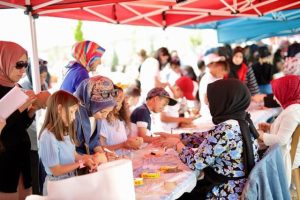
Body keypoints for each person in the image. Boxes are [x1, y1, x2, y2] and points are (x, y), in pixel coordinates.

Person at [156, 79, 259, 199]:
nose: (209, 105)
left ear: (223, 101)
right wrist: (178, 136)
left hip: (226, 191)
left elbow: (196, 162)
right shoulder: (241, 121)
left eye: (211, 101)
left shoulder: (226, 130)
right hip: (239, 186)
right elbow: (208, 137)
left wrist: (177, 145)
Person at [0, 41, 45, 199]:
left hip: (22, 153)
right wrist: (19, 108)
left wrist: (32, 109)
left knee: (26, 195)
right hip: (5, 158)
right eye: (19, 64)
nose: (23, 70)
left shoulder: (16, 87)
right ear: (4, 61)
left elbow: (21, 125)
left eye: (26, 65)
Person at [39, 90, 97, 195]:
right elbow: (56, 170)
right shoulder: (47, 137)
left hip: (70, 180)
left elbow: (73, 154)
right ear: (59, 109)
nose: (74, 117)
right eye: (71, 112)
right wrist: (82, 163)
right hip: (57, 186)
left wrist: (89, 159)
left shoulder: (66, 131)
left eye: (75, 112)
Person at [258, 75, 300, 187]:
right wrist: (270, 127)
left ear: (286, 91)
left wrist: (260, 135)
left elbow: (281, 140)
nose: (274, 98)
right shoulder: (293, 108)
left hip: (288, 156)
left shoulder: (293, 111)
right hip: (286, 151)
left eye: (276, 93)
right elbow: (286, 132)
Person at [74, 76, 116, 156]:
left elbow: (93, 141)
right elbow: (68, 151)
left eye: (108, 112)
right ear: (89, 102)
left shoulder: (94, 112)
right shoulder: (73, 115)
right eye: (102, 112)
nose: (105, 116)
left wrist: (102, 153)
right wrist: (92, 158)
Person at [99, 86, 143, 155]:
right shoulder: (102, 121)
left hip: (124, 159)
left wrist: (131, 145)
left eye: (122, 100)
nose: (123, 103)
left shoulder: (119, 119)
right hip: (113, 162)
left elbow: (123, 142)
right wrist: (123, 145)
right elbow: (100, 149)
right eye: (118, 99)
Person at [199, 53, 229, 119]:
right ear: (210, 66)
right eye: (217, 64)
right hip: (209, 116)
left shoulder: (219, 76)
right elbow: (206, 100)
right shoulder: (206, 79)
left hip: (220, 113)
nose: (220, 66)